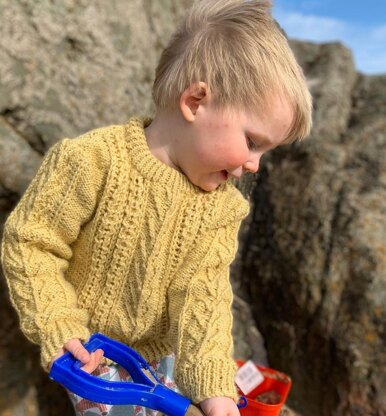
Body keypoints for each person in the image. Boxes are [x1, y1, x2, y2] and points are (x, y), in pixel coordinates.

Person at [1, 0, 312, 415]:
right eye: (253, 141)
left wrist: (216, 393)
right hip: (93, 356)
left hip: (167, 356)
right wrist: (59, 324)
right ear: (196, 101)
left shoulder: (221, 208)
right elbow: (31, 242)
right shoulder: (93, 161)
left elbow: (204, 300)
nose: (255, 164)